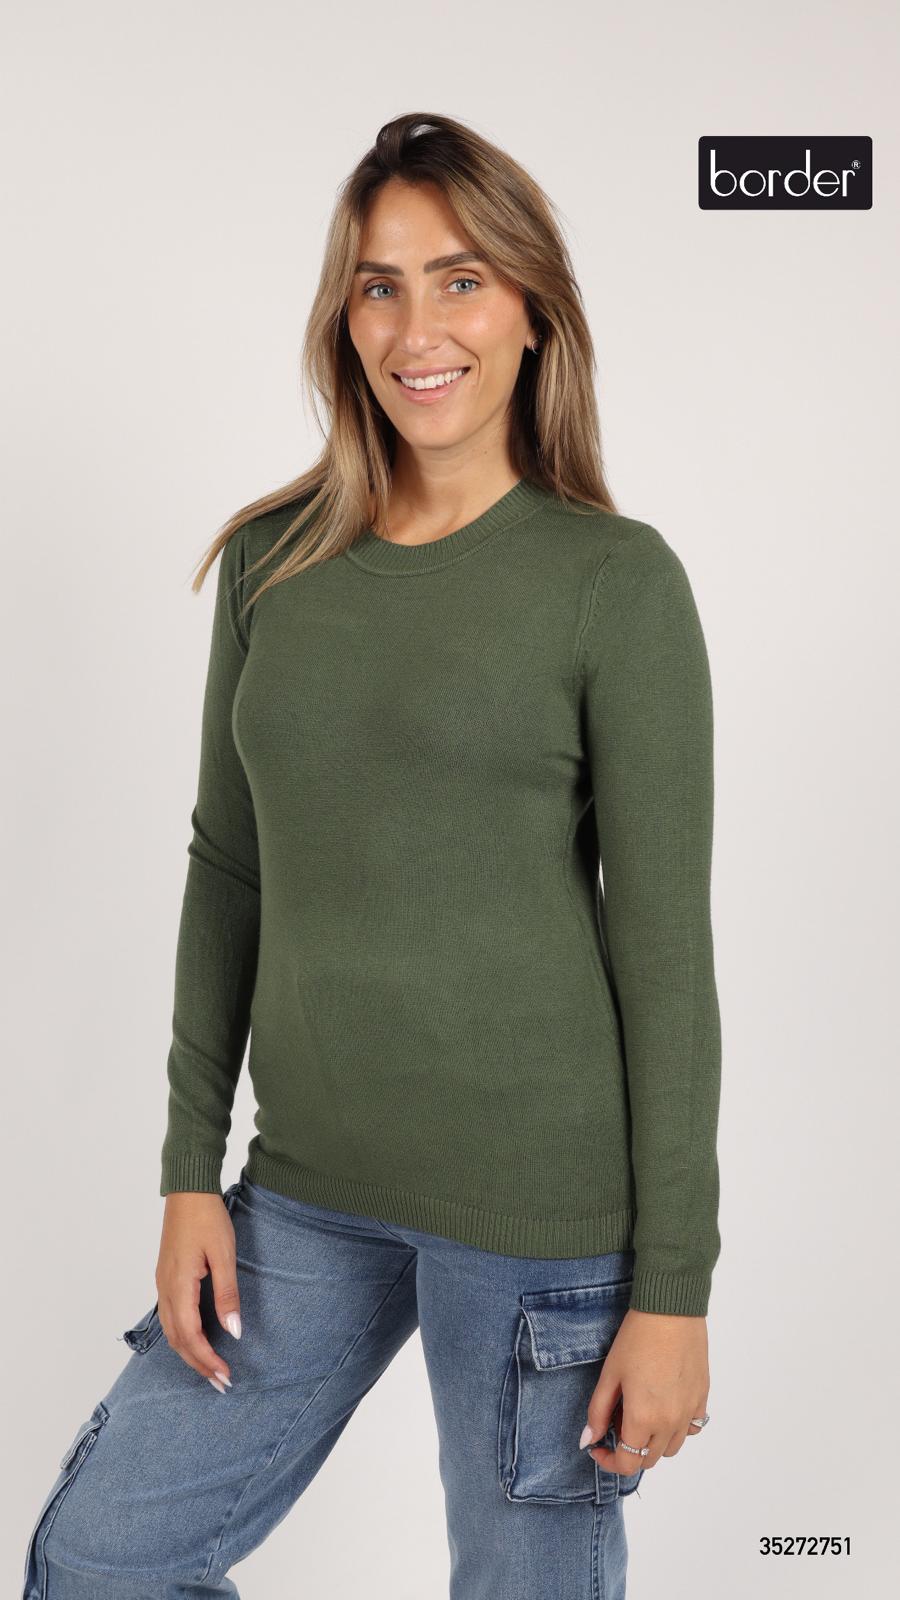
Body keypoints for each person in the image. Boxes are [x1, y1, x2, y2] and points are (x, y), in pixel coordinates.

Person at [22, 111, 721, 1599]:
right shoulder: (274, 560)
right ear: (343, 318)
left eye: (461, 280)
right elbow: (228, 867)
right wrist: (187, 1174)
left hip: (540, 1220)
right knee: (98, 1561)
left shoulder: (613, 583)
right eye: (379, 285)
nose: (419, 329)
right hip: (303, 1192)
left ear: (532, 310)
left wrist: (675, 1293)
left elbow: (665, 954)